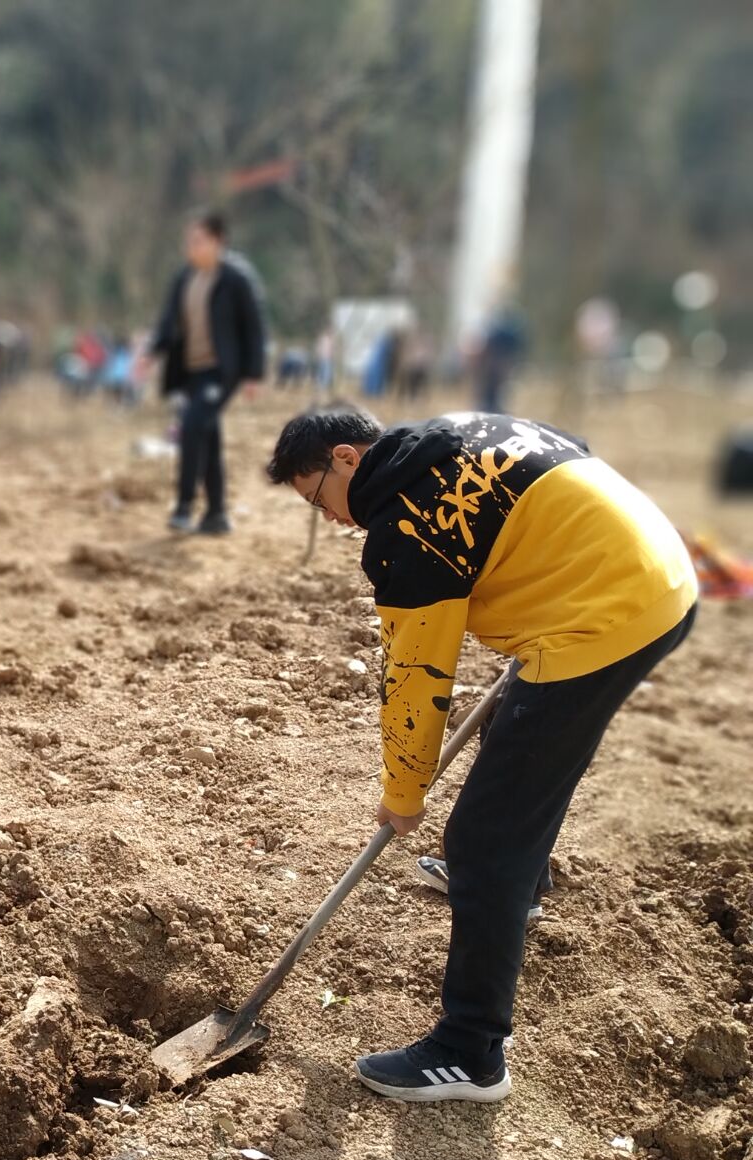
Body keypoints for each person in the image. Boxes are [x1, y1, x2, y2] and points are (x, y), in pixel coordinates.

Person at [265, 405, 699, 1103]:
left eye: (319, 500)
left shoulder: (407, 526)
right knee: (518, 743)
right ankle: (519, 888)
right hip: (656, 568)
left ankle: (470, 1051)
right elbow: (571, 450)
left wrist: (403, 795)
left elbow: (416, 678)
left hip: (604, 615)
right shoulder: (460, 427)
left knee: (482, 840)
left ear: (346, 458)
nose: (334, 519)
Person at [152, 211, 267, 535]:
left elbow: (254, 326)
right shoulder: (185, 278)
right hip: (191, 372)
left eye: (198, 241)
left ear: (218, 241)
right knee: (208, 435)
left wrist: (254, 374)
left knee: (191, 427)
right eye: (189, 241)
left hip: (221, 372)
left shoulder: (236, 278)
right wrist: (151, 352)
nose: (191, 247)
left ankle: (184, 506)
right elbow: (169, 322)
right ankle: (216, 515)